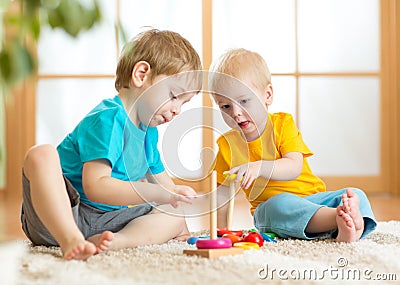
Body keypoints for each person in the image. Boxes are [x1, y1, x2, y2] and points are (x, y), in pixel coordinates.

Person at [21, 29, 203, 260]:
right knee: (41, 154)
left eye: (184, 104)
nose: (177, 110)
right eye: (174, 96)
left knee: (173, 214)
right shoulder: (108, 119)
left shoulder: (149, 132)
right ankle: (71, 240)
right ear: (141, 74)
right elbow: (97, 187)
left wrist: (179, 211)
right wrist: (160, 193)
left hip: (105, 223)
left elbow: (168, 189)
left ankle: (115, 242)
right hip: (59, 215)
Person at [209, 48, 377, 242]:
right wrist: (221, 233)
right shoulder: (227, 145)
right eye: (225, 106)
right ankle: (338, 220)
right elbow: (221, 195)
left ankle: (345, 225)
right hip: (271, 210)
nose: (235, 113)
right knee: (278, 205)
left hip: (314, 200)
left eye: (244, 101)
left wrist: (259, 167)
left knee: (355, 194)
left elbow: (294, 167)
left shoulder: (282, 125)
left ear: (268, 95)